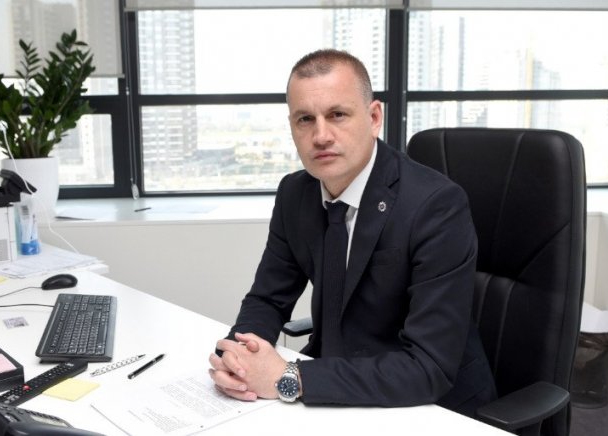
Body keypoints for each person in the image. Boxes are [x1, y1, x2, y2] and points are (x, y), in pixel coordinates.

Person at [208, 49, 496, 416]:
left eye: (337, 115)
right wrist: (238, 358)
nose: (320, 136)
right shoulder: (295, 193)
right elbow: (268, 299)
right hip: (336, 389)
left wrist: (290, 377)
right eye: (305, 119)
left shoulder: (437, 206)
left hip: (429, 407)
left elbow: (429, 367)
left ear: (374, 118)